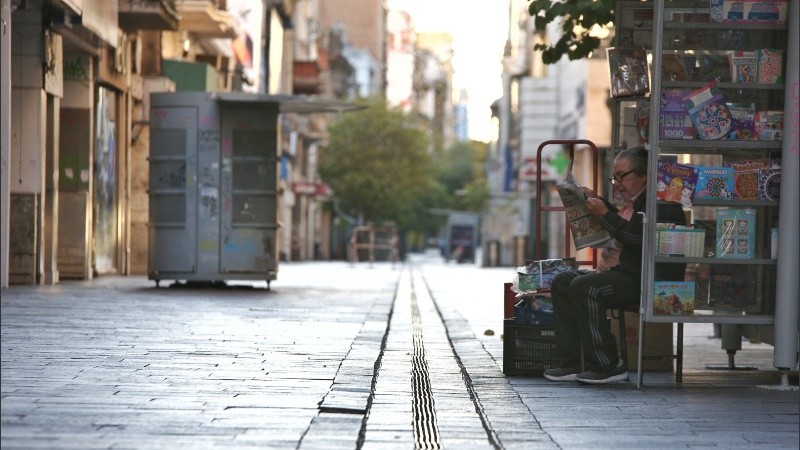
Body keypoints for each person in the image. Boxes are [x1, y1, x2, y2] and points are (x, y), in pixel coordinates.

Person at [543, 147, 686, 384]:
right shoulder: (632, 202)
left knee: (585, 287)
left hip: (643, 279)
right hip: (622, 273)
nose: (618, 183)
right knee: (562, 282)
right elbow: (623, 226)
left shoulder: (662, 203)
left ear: (643, 175)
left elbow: (640, 238)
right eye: (615, 177)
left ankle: (607, 364)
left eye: (622, 176)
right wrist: (597, 204)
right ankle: (572, 361)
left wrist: (604, 214)